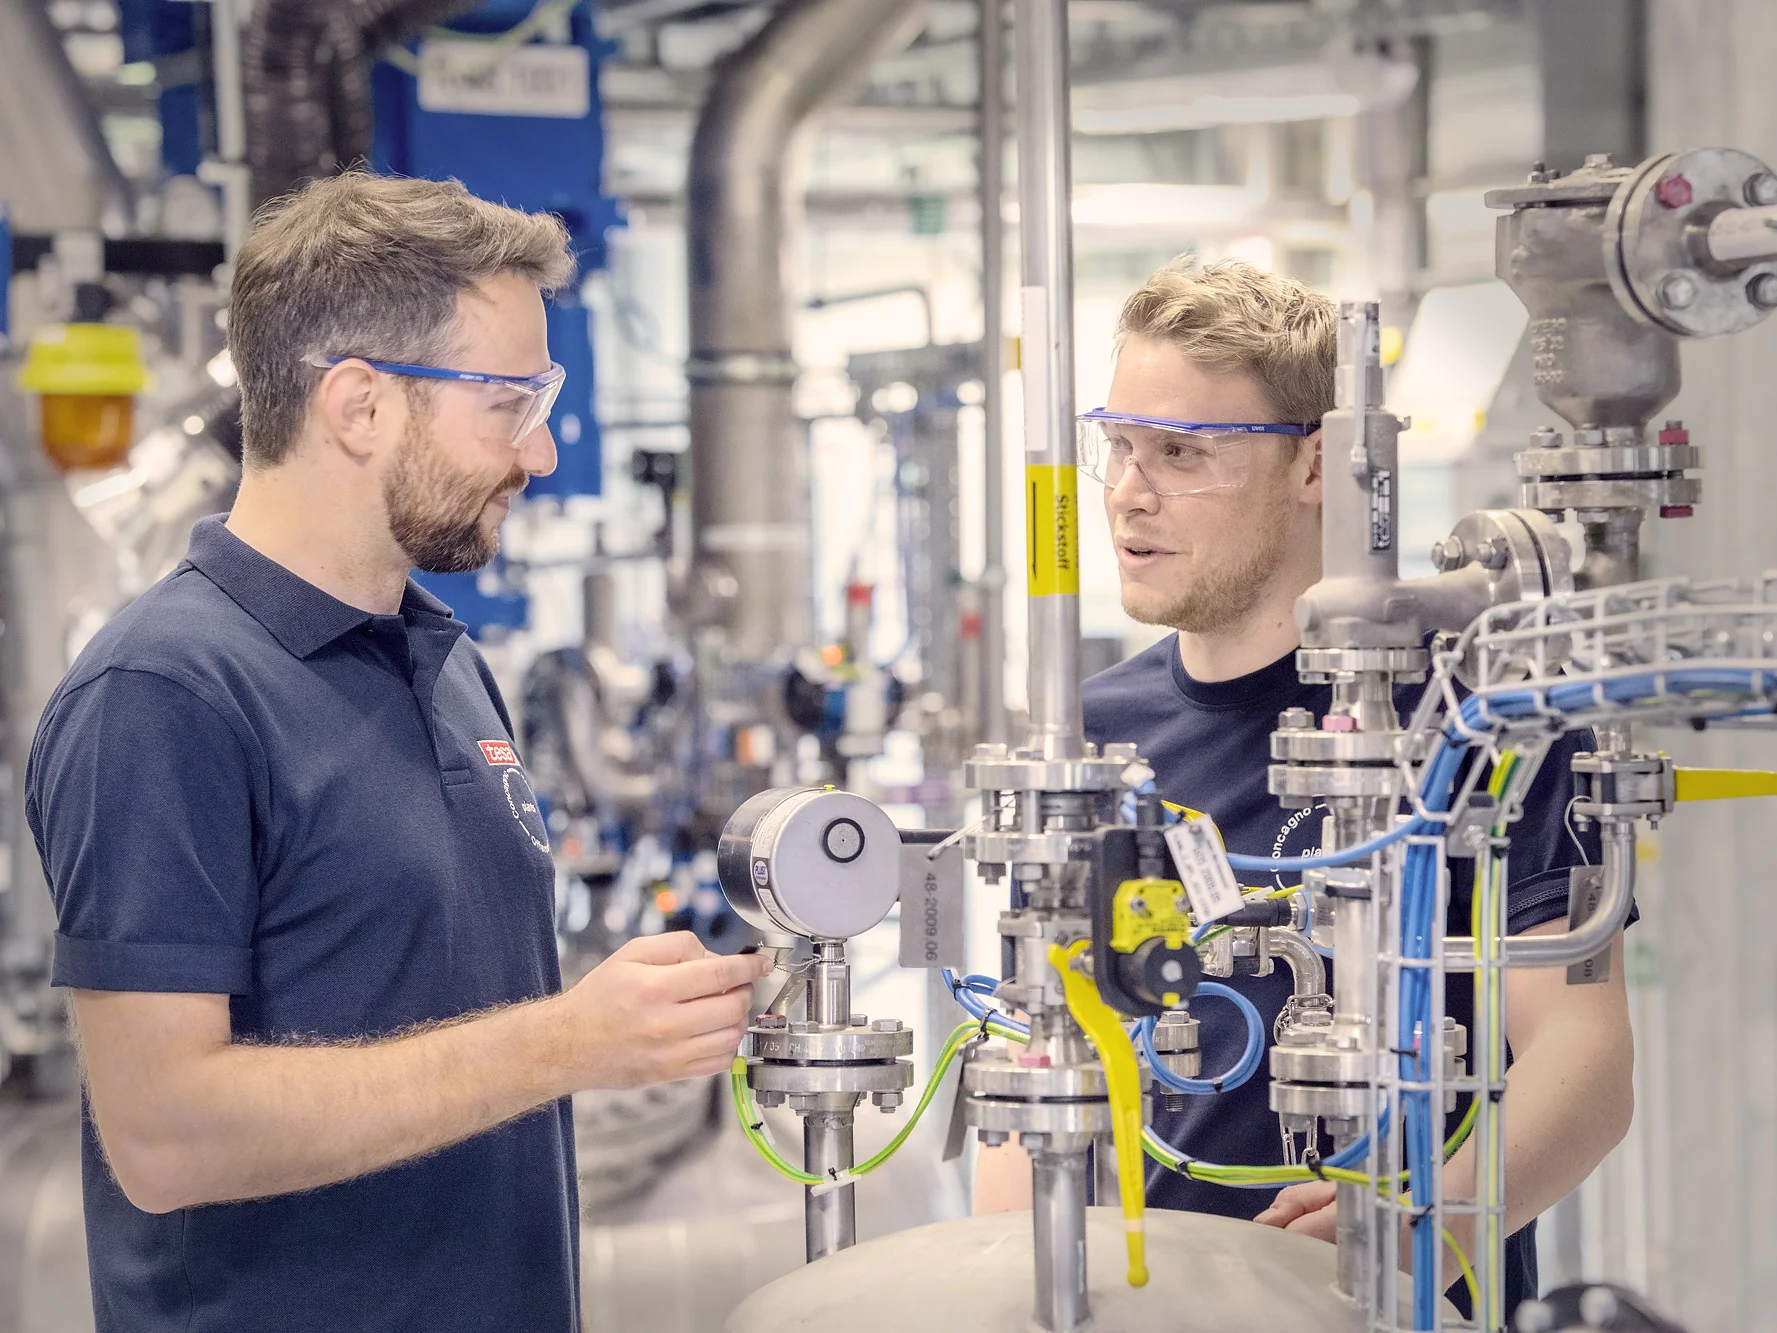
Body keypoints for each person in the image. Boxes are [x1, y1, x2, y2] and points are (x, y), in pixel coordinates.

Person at [25, 173, 772, 1332]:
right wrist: (564, 1041)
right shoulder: (163, 693)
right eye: (507, 403)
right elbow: (164, 1135)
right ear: (360, 405)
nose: (536, 455)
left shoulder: (441, 657)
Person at [975, 258, 1634, 1317]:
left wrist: (1428, 1229)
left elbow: (1584, 1054)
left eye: (1182, 452)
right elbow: (1035, 1040)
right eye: (1119, 448)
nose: (1129, 494)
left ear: (1317, 461)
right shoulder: (1090, 733)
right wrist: (1010, 1281)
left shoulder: (1471, 712)